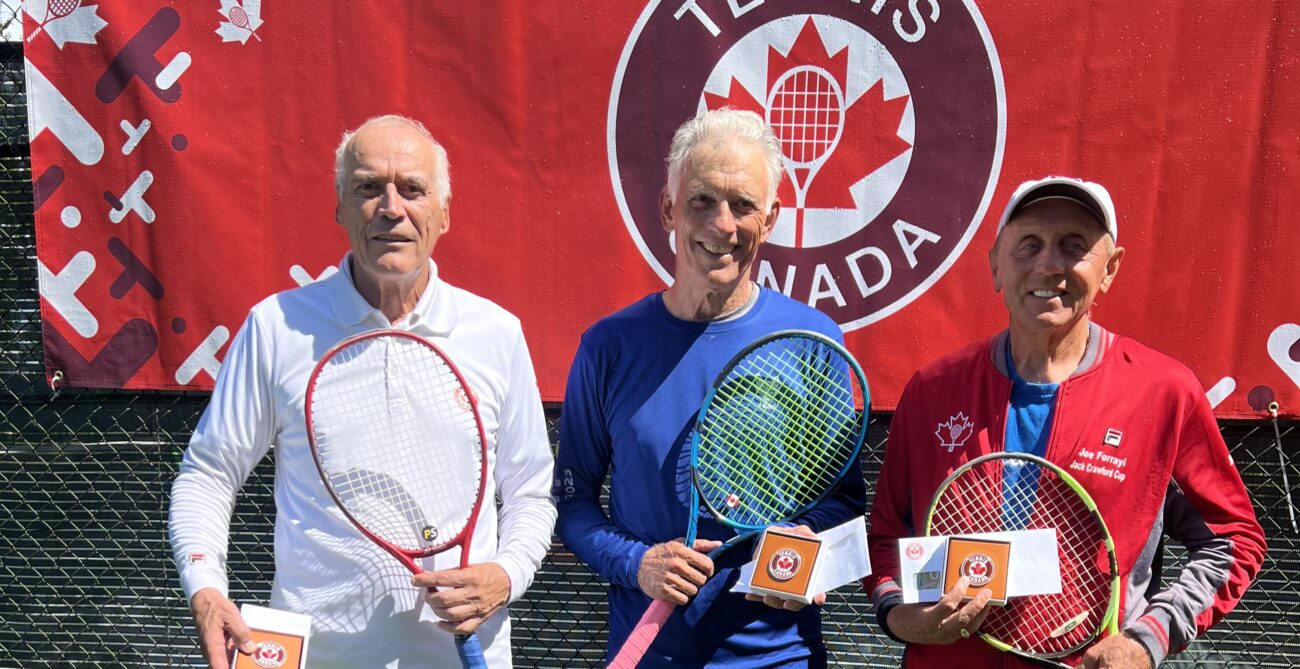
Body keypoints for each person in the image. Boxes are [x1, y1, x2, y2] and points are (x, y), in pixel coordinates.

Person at [168, 115, 556, 669]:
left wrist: (506, 575)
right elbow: (208, 475)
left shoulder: (495, 333)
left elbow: (530, 493)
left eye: (413, 190)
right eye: (368, 187)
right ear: (340, 209)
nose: (391, 208)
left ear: (444, 214)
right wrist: (205, 586)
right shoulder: (276, 327)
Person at [863, 176, 1267, 668]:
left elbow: (1232, 539)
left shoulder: (1164, 392)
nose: (1049, 264)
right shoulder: (931, 390)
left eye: (1074, 246)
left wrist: (1147, 638)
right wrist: (897, 613)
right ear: (994, 264)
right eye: (1028, 244)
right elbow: (885, 535)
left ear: (1111, 268)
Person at [553, 108, 867, 667]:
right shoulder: (608, 345)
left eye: (743, 205)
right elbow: (573, 504)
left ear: (769, 219)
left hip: (782, 656)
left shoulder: (814, 339)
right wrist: (637, 563)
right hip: (646, 654)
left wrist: (801, 547)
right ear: (669, 209)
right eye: (701, 200)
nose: (722, 225)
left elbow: (841, 501)